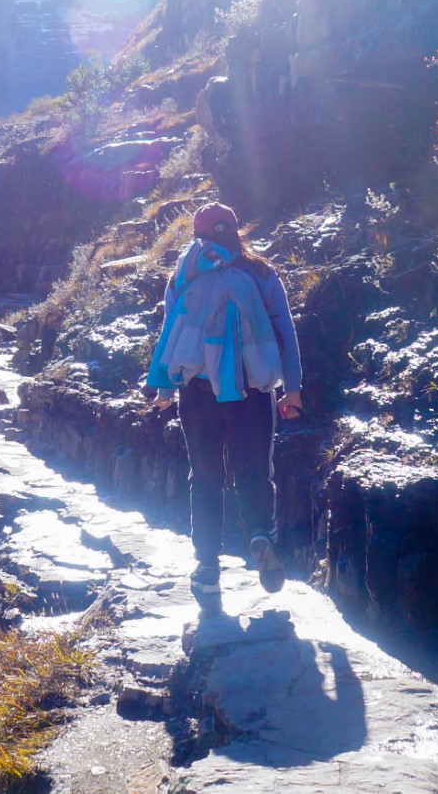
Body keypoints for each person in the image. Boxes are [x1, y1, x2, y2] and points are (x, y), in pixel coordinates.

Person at [142, 202, 302, 592]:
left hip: (198, 390)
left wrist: (165, 387)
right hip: (251, 388)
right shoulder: (262, 273)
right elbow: (285, 331)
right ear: (235, 231)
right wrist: (292, 388)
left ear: (198, 236)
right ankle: (260, 534)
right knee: (254, 473)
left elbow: (171, 332)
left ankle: (208, 566)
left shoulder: (184, 274)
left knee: (206, 476)